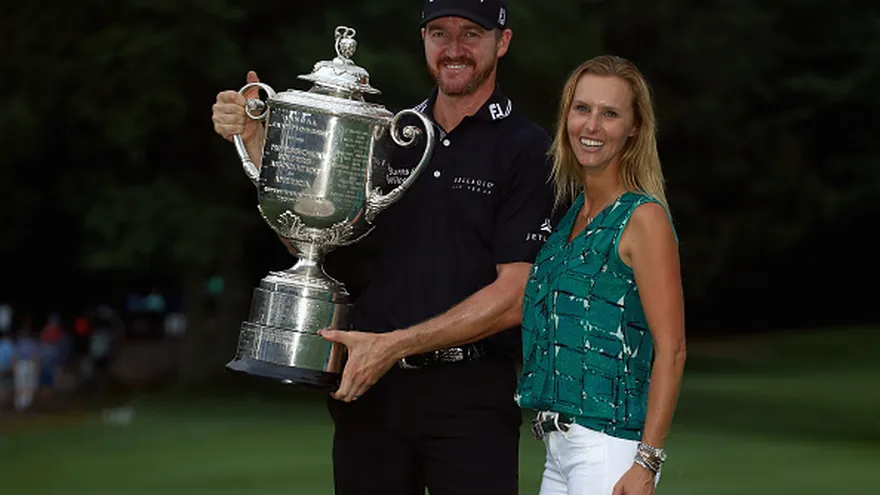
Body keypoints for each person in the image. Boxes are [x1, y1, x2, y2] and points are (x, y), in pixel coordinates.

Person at [212, 1, 556, 493]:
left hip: (469, 397)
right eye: (439, 33)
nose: (453, 49)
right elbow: (314, 236)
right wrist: (257, 141)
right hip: (370, 392)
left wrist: (393, 347)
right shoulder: (389, 136)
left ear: (502, 42)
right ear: (423, 41)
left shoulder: (529, 149)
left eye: (470, 34)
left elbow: (516, 296)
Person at [515, 55, 687, 495]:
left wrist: (646, 463)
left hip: (610, 449)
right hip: (558, 447)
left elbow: (672, 348)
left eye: (609, 114)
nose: (591, 126)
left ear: (633, 128)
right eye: (582, 108)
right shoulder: (572, 218)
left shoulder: (642, 217)